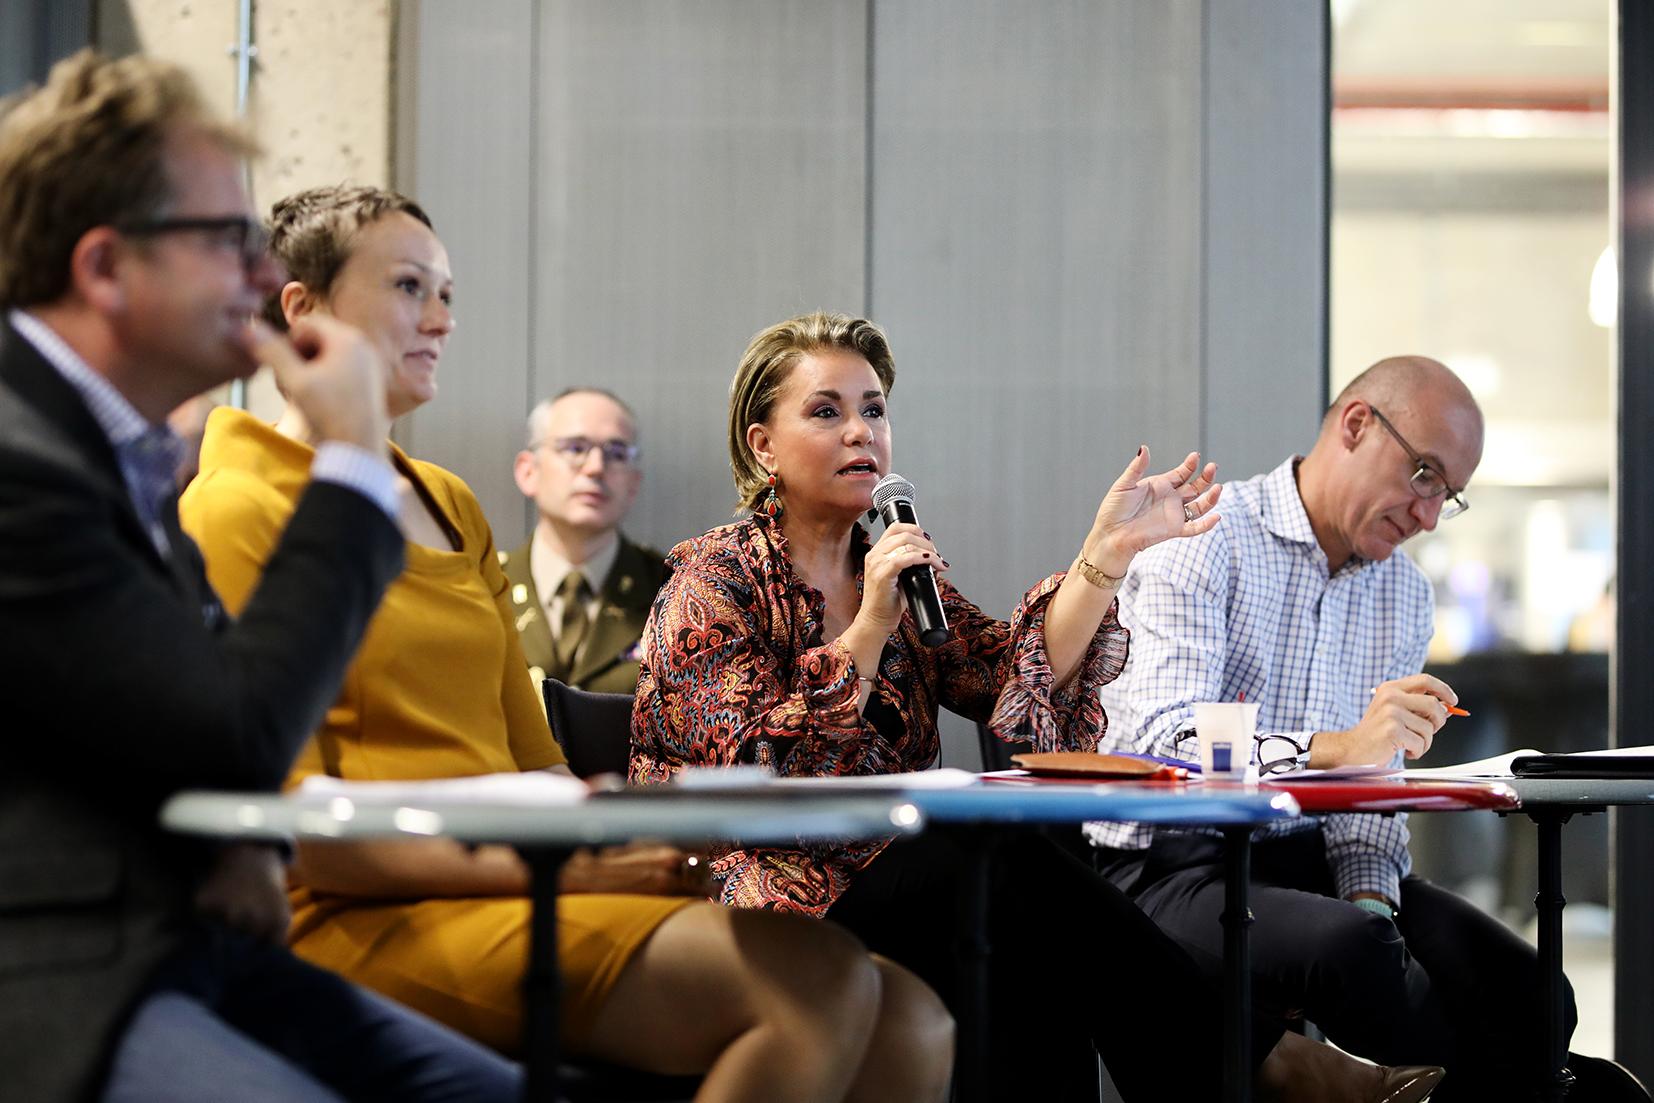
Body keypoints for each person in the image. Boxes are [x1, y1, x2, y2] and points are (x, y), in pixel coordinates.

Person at [179, 186, 955, 1103]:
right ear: (302, 308)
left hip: (518, 877)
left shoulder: (447, 501)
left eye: (448, 293)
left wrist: (630, 838)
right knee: (816, 984)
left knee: (914, 1014)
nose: (440, 318)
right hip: (367, 909)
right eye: (407, 287)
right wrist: (580, 859)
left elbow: (538, 763)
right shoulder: (230, 508)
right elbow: (299, 833)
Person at [631, 310, 1444, 1103]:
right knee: (999, 863)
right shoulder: (716, 582)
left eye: (874, 409)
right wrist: (871, 626)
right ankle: (1265, 1069)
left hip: (900, 877)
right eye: (827, 410)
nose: (861, 433)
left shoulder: (893, 566)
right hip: (757, 886)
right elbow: (745, 763)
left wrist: (1105, 555)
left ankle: (1257, 1070)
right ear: (762, 444)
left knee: (1027, 930)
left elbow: (1006, 672)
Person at [0, 52, 520, 1102]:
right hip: (50, 964)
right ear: (105, 268)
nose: (258, 280)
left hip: (184, 927)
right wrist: (351, 462)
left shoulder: (127, 452)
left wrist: (243, 849)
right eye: (229, 240)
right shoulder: (19, 466)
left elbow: (164, 707)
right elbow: (233, 729)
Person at [1089, 355, 1649, 1102]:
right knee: (1364, 963)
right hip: (1172, 863)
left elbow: (1370, 802)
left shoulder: (1403, 595)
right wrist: (1338, 750)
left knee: (1535, 993)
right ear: (1355, 425)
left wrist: (1374, 900)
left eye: (1448, 496)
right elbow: (1167, 749)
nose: (1427, 514)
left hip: (1309, 855)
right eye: (1424, 473)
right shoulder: (1206, 539)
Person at [504, 388, 664, 693]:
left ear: (633, 484)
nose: (595, 467)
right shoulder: (484, 586)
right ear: (528, 472)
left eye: (616, 453)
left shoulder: (671, 592)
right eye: (576, 449)